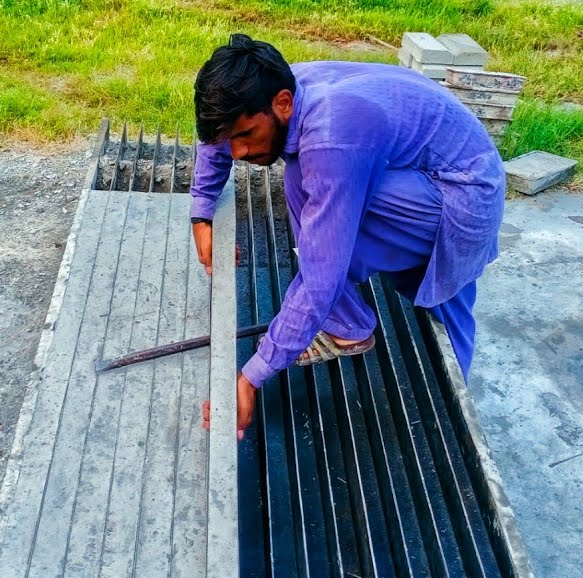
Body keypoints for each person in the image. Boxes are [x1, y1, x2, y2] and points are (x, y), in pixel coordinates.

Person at [192, 34, 504, 439]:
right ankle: (356, 327)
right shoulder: (274, 88)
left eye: (246, 136)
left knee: (307, 177)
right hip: (429, 173)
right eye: (230, 141)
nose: (237, 153)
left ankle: (445, 422)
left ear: (282, 103)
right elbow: (218, 137)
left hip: (464, 197)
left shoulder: (331, 133)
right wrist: (202, 212)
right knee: (311, 177)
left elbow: (321, 275)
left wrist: (252, 375)